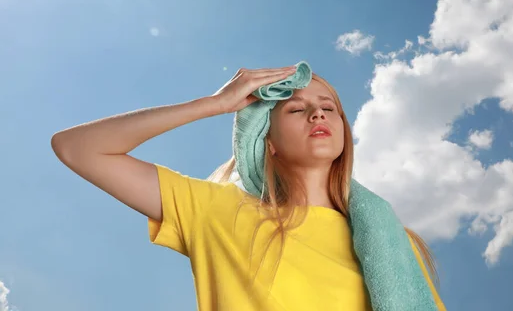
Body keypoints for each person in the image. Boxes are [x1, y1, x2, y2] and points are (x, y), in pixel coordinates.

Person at [51, 64, 446, 310]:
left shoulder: (395, 240)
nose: (318, 112)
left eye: (329, 107)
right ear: (266, 141)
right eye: (296, 108)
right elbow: (78, 148)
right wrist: (215, 104)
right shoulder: (214, 210)